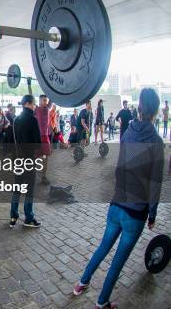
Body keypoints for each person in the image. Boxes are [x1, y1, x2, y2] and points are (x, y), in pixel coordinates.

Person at [73, 88, 164, 309]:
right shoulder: (156, 142)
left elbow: (120, 168)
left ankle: (81, 284)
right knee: (118, 261)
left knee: (103, 247)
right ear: (156, 110)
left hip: (116, 205)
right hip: (135, 212)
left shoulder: (128, 132)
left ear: (139, 107)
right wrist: (152, 214)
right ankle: (101, 302)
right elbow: (154, 183)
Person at [9, 95, 42, 229]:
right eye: (34, 104)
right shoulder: (33, 120)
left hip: (18, 159)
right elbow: (38, 143)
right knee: (29, 190)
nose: (35, 106)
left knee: (17, 188)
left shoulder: (16, 119)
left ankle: (13, 216)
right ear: (28, 104)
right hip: (29, 159)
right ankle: (29, 217)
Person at [34, 94, 52, 184]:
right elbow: (31, 97)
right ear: (40, 101)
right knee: (35, 157)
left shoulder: (47, 109)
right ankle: (31, 175)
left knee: (45, 158)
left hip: (45, 139)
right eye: (44, 100)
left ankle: (43, 177)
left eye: (46, 100)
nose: (46, 102)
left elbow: (54, 96)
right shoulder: (36, 109)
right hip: (37, 138)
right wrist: (29, 84)